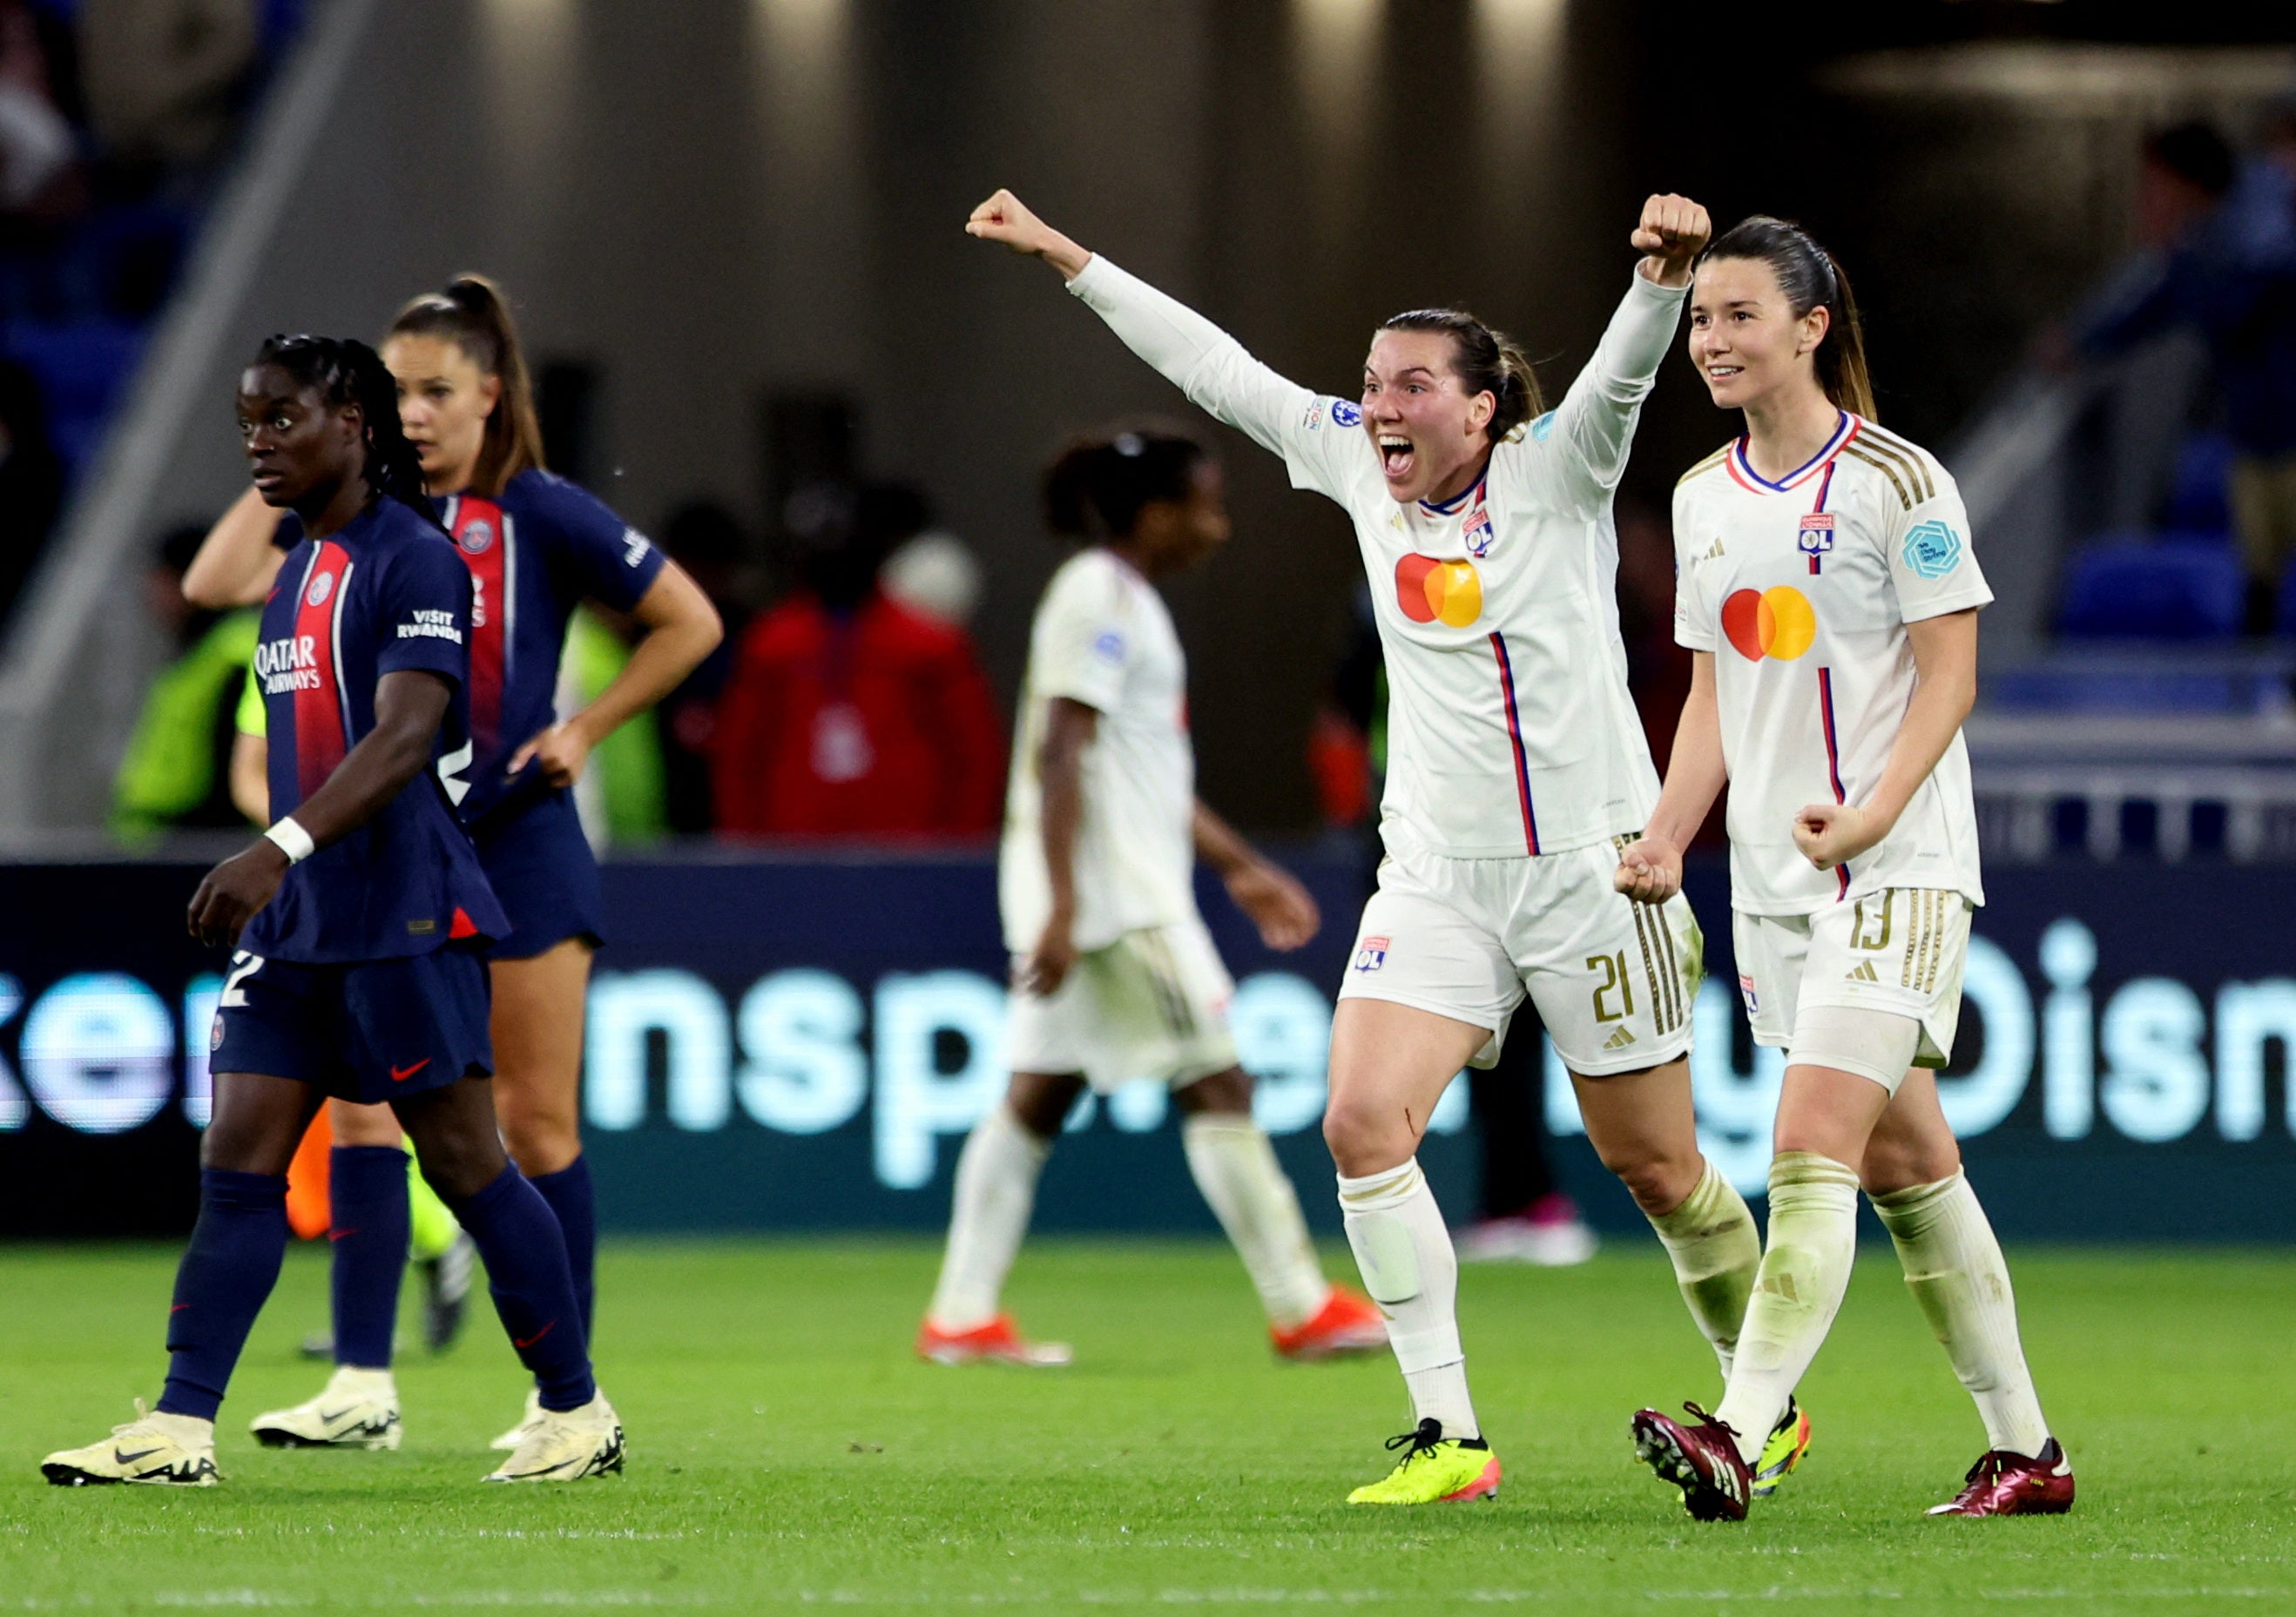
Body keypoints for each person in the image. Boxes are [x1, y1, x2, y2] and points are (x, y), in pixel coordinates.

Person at [966, 188, 1798, 1507]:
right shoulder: (1355, 459)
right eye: (1371, 383)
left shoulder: (1562, 465)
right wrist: (1069, 259)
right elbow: (1216, 368)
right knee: (1361, 1122)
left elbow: (1625, 376)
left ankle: (1765, 1395)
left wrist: (1660, 278)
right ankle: (1449, 1434)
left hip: (1595, 871)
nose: (1381, 405)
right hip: (1436, 879)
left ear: (1482, 409)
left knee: (1660, 1168)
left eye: (1412, 385)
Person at [41, 334, 619, 1486]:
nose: (259, 440)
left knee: (467, 1164)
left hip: (405, 912)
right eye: (249, 419)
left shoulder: (415, 560)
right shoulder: (298, 567)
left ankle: (576, 1410)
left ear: (354, 423)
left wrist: (277, 845)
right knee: (238, 1157)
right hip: (301, 922)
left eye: (283, 418)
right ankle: (180, 1426)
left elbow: (406, 735)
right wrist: (284, 858)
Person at [179, 276, 722, 1452]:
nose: (414, 412)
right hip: (388, 841)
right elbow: (214, 581)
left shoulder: (542, 510)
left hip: (514, 840)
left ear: (490, 393)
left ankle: (559, 1398)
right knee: (368, 1120)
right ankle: (360, 1385)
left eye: (435, 390)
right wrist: (291, 435)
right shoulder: (349, 516)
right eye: (395, 390)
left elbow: (691, 620)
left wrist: (585, 728)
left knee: (532, 1123)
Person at [1620, 217, 2071, 1521]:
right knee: (1905, 1162)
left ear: (1811, 327)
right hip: (1772, 886)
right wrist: (1666, 830)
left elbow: (1953, 675)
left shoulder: (1899, 480)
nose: (1712, 341)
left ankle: (1740, 1430)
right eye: (1703, 320)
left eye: (1740, 316)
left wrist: (1873, 813)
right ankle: (2027, 1452)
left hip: (1901, 864)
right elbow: (1713, 695)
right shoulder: (1703, 497)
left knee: (1809, 1140)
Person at [918, 425, 1386, 1368]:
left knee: (1036, 1095)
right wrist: (1057, 906)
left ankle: (961, 1314)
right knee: (1216, 1076)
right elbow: (1061, 751)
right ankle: (1299, 1304)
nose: (1216, 527)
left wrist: (1237, 866)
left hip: (1101, 891)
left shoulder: (1120, 598)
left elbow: (1139, 772)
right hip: (1117, 902)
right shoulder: (1096, 595)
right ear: (1160, 513)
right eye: (1205, 505)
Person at [712, 480, 1003, 839]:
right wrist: (749, 854)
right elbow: (740, 760)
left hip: (908, 853)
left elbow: (974, 758)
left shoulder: (932, 645)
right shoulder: (772, 645)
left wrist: (956, 851)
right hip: (795, 856)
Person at [110, 524, 259, 839]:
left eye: (162, 579)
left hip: (196, 846)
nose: (151, 593)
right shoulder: (197, 650)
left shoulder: (234, 655)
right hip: (159, 842)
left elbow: (239, 773)